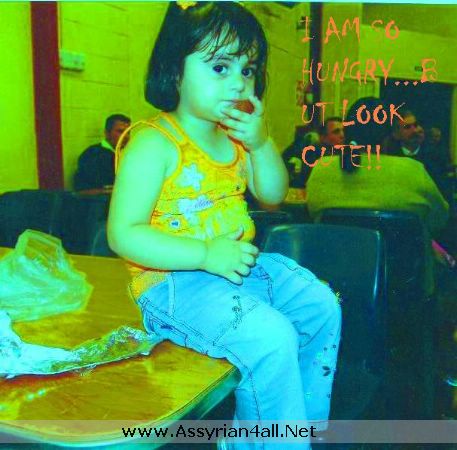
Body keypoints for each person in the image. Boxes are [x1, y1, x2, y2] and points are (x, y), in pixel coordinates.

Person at [107, 2, 341, 448]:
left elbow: (272, 194)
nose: (238, 82)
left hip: (235, 268)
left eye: (248, 69)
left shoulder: (235, 138)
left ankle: (295, 428)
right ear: (175, 71)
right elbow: (124, 234)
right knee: (271, 338)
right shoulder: (154, 143)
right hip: (173, 282)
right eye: (220, 66)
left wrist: (261, 144)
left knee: (320, 305)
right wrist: (204, 254)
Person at [306, 97, 449, 294]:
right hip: (406, 288)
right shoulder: (414, 171)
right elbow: (440, 219)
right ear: (390, 133)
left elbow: (313, 214)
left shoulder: (322, 170)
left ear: (348, 130)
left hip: (339, 286)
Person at [73, 114, 131, 191]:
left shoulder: (127, 155)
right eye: (121, 131)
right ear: (107, 133)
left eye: (128, 132)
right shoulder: (92, 155)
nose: (126, 136)